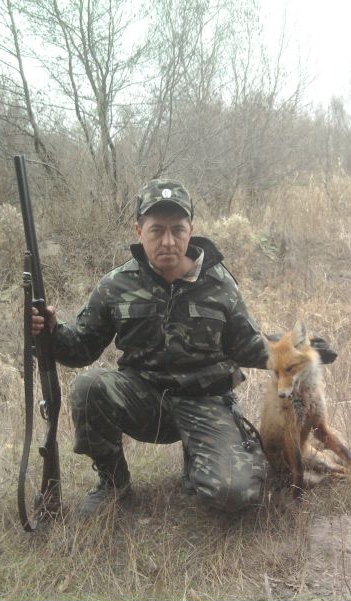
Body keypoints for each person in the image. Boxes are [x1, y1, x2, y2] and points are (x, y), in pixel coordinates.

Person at [32, 179, 269, 516]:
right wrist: (50, 332)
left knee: (235, 494)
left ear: (191, 231)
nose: (168, 241)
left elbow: (247, 344)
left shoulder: (220, 283)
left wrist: (296, 353)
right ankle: (114, 484)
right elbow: (81, 349)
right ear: (139, 231)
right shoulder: (116, 285)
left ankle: (204, 457)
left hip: (205, 401)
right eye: (157, 230)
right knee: (90, 386)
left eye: (178, 229)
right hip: (145, 402)